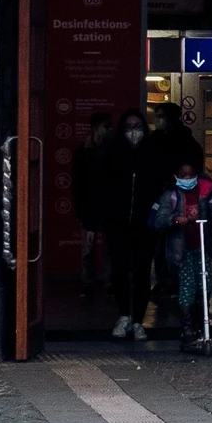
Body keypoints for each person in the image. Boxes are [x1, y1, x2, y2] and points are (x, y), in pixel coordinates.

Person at [147, 158, 212, 353]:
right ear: (177, 177)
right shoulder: (171, 195)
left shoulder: (205, 192)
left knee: (205, 285)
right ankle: (187, 329)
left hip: (202, 246)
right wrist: (175, 220)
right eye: (183, 175)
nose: (188, 179)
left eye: (191, 175)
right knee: (187, 287)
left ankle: (203, 325)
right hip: (181, 250)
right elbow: (160, 218)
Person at [106, 109, 172, 340]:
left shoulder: (154, 153)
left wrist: (157, 212)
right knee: (120, 270)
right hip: (117, 222)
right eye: (129, 127)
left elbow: (165, 185)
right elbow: (99, 187)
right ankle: (124, 314)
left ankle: (138, 321)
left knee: (143, 271)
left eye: (138, 127)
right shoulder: (111, 153)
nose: (133, 132)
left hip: (146, 224)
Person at [71, 111, 122, 297]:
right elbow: (77, 184)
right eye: (105, 126)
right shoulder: (83, 152)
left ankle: (109, 282)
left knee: (109, 248)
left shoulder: (113, 150)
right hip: (89, 206)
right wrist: (82, 210)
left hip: (109, 206)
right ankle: (88, 282)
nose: (109, 129)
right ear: (95, 128)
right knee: (88, 248)